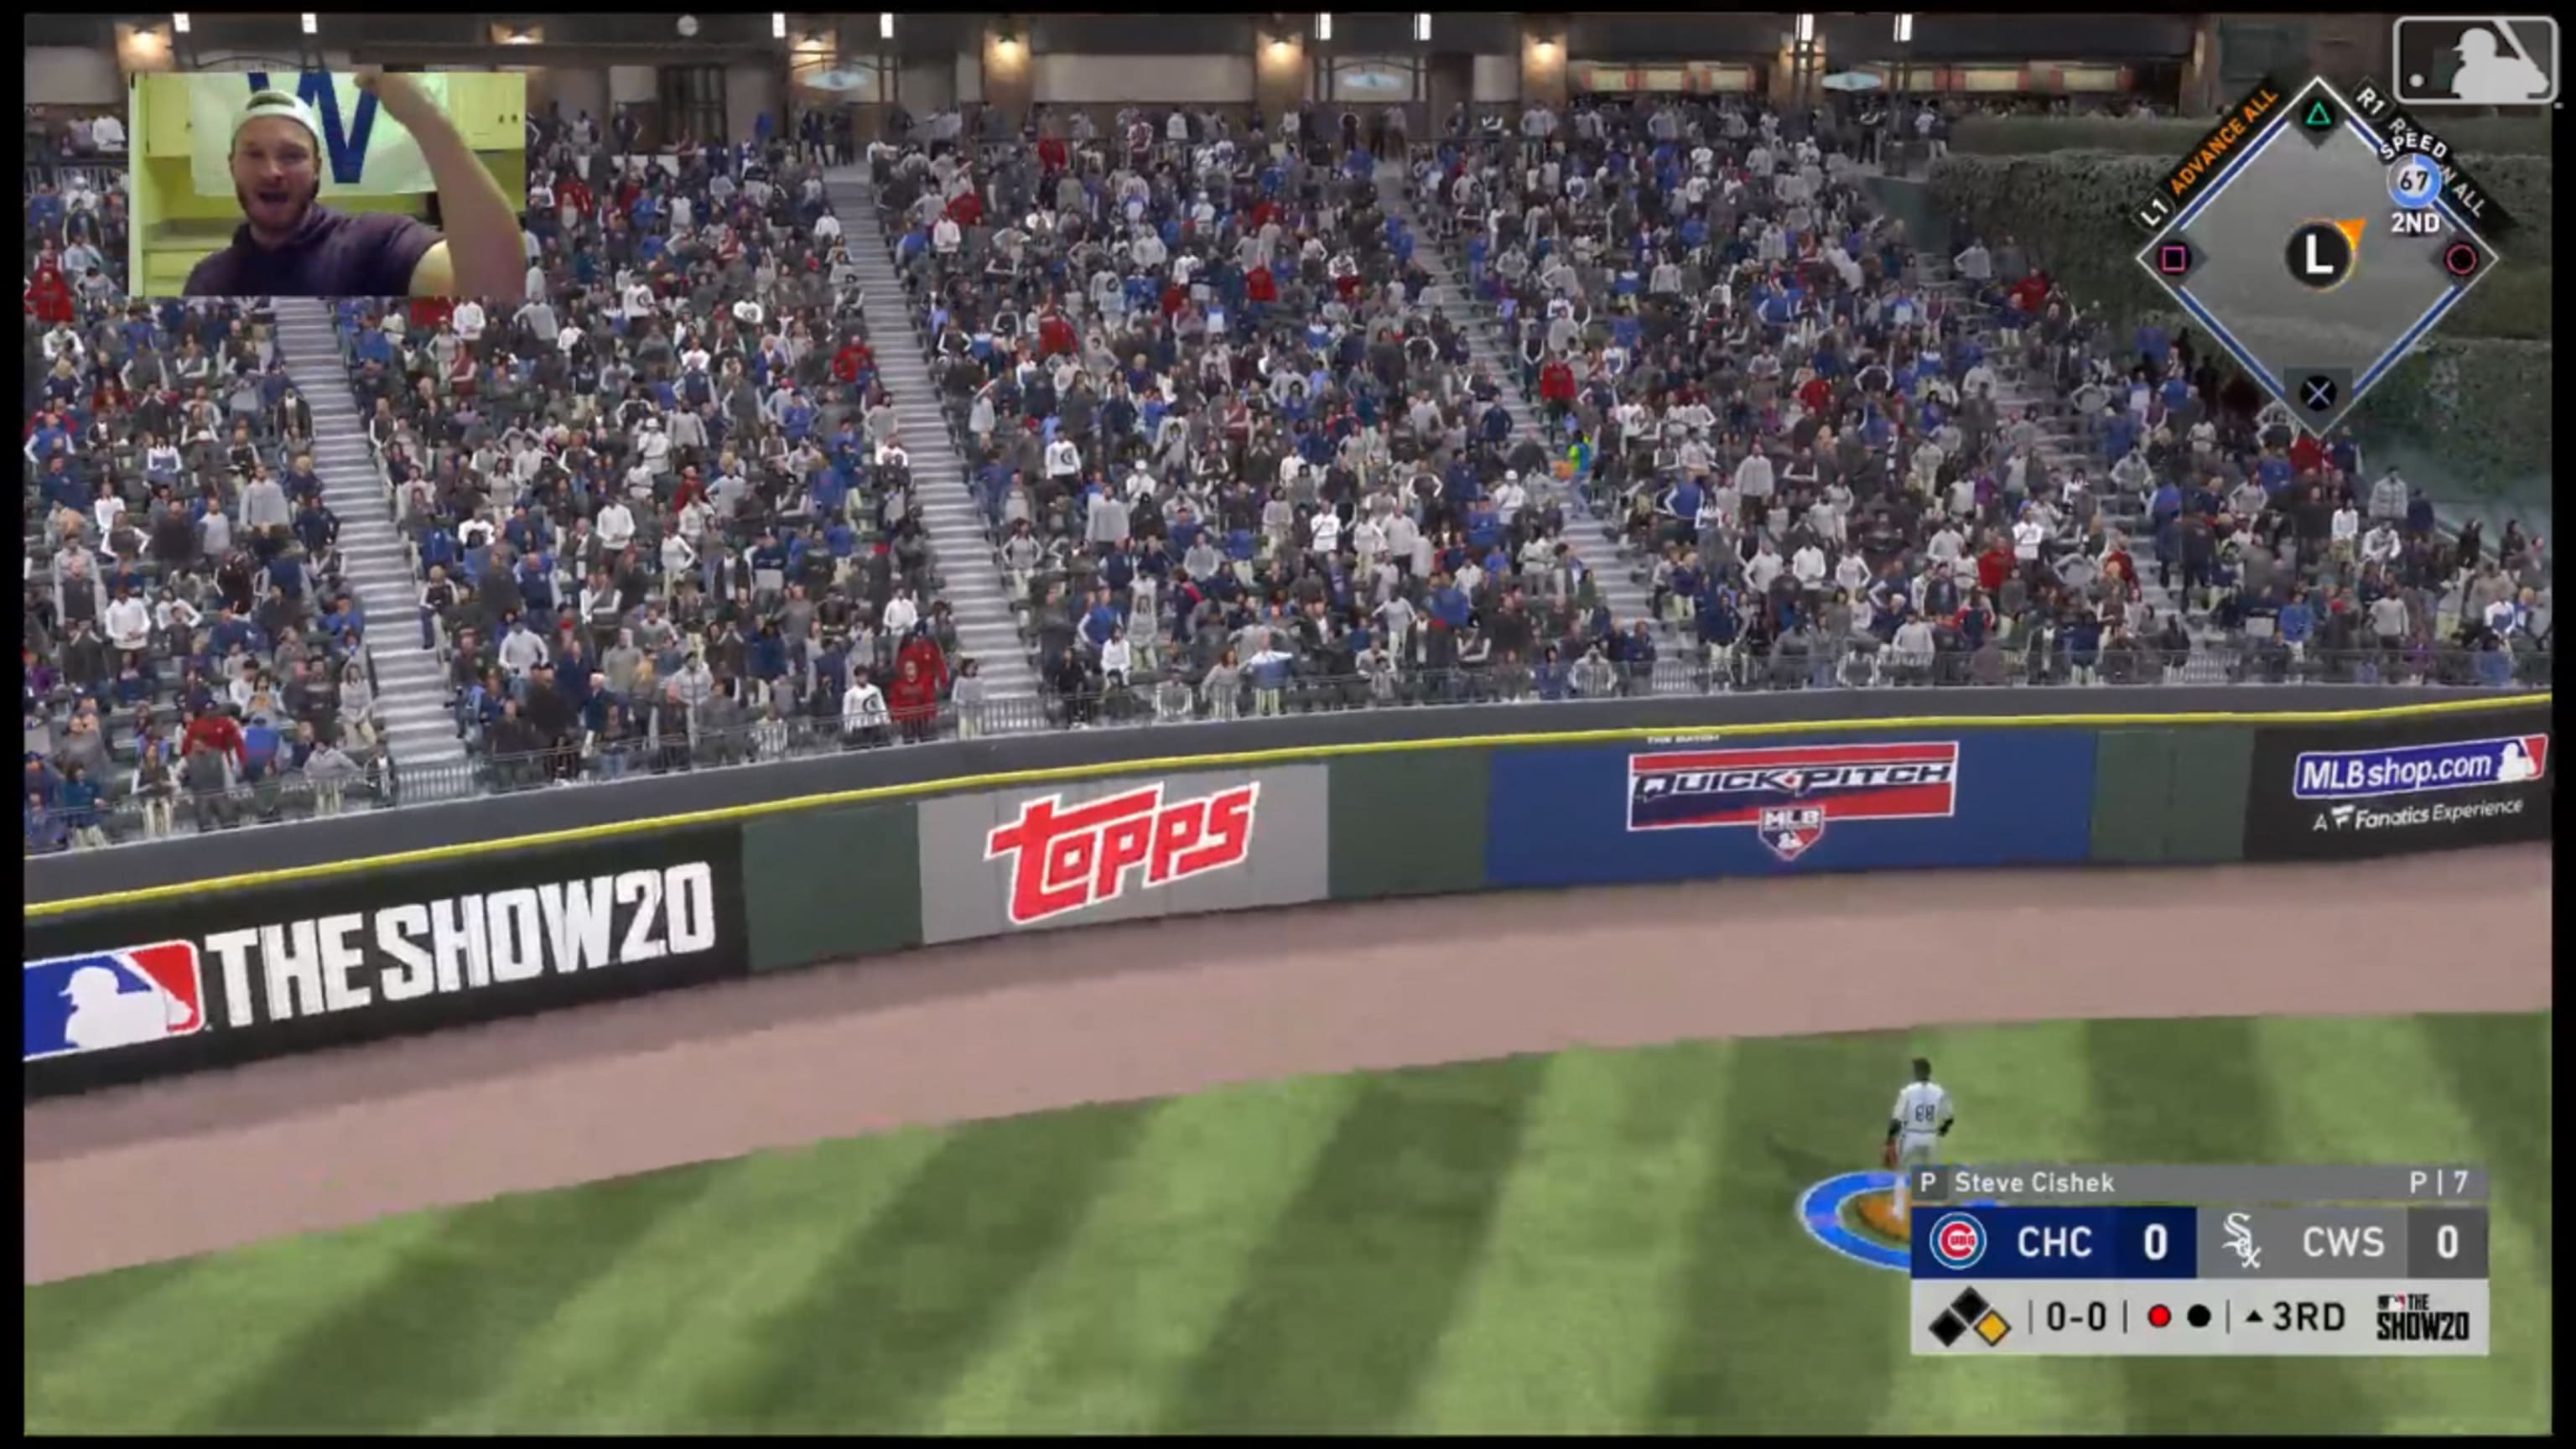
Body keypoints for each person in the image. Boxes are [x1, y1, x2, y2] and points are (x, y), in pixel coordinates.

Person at [184, 74, 526, 299]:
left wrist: (425, 117)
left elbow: (496, 287)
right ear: (232, 165)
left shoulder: (375, 245)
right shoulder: (209, 281)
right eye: (254, 154)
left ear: (317, 168)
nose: (272, 171)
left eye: (292, 155)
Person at [1884, 1057, 1955, 1228]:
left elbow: (1896, 1120)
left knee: (1901, 1173)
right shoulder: (1939, 1091)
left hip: (1910, 1136)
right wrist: (1943, 1129)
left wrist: (1890, 1139)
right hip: (1930, 1137)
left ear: (1916, 1072)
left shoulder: (1907, 1092)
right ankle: (1936, 1211)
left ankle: (1899, 1213)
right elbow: (1949, 1117)